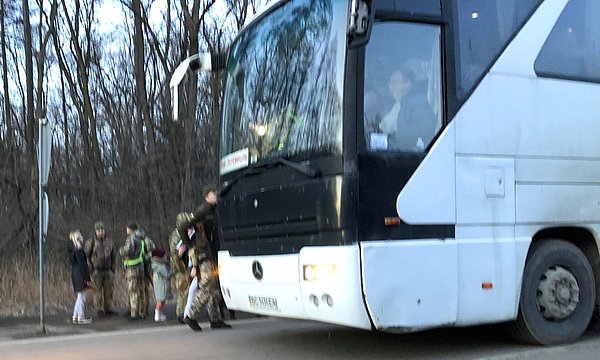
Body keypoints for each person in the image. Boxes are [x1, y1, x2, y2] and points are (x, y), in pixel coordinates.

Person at [179, 185, 231, 331]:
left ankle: (215, 319)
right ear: (207, 196)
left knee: (215, 287)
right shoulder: (203, 210)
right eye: (212, 193)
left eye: (215, 192)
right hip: (204, 254)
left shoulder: (215, 211)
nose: (216, 195)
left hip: (214, 254)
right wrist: (190, 246)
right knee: (207, 285)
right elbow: (183, 227)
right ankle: (190, 315)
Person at [376, 67, 436, 151]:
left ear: (407, 83)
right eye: (390, 83)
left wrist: (394, 134)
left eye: (394, 82)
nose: (390, 87)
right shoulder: (392, 104)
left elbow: (425, 131)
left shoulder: (419, 105)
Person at [84, 221, 117, 317]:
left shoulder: (110, 242)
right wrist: (91, 269)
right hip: (96, 271)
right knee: (97, 292)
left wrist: (113, 269)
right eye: (99, 230)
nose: (101, 232)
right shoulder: (91, 242)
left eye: (102, 230)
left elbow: (113, 256)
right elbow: (86, 256)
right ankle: (99, 310)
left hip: (108, 270)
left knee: (109, 291)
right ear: (95, 231)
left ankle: (109, 308)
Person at [119, 222, 147, 320]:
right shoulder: (142, 237)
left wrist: (121, 250)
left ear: (130, 229)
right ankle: (142, 312)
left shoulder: (131, 238)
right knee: (141, 291)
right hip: (141, 267)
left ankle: (134, 313)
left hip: (132, 268)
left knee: (133, 291)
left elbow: (128, 250)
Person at [169, 212, 193, 324]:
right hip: (180, 267)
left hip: (187, 265)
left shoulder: (187, 232)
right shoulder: (176, 236)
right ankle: (181, 314)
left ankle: (186, 313)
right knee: (182, 291)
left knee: (188, 291)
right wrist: (179, 254)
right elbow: (175, 254)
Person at [68, 230, 92, 324]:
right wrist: (87, 278)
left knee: (80, 295)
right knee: (81, 296)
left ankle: (76, 315)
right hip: (80, 274)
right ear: (78, 238)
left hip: (75, 273)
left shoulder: (72, 251)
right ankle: (80, 316)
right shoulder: (79, 251)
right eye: (80, 235)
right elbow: (83, 265)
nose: (82, 236)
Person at [150, 247, 169, 322]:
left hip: (159, 285)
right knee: (160, 300)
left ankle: (160, 313)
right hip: (161, 285)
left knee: (162, 300)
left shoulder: (156, 265)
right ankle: (157, 313)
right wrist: (172, 272)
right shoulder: (161, 266)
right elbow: (167, 274)